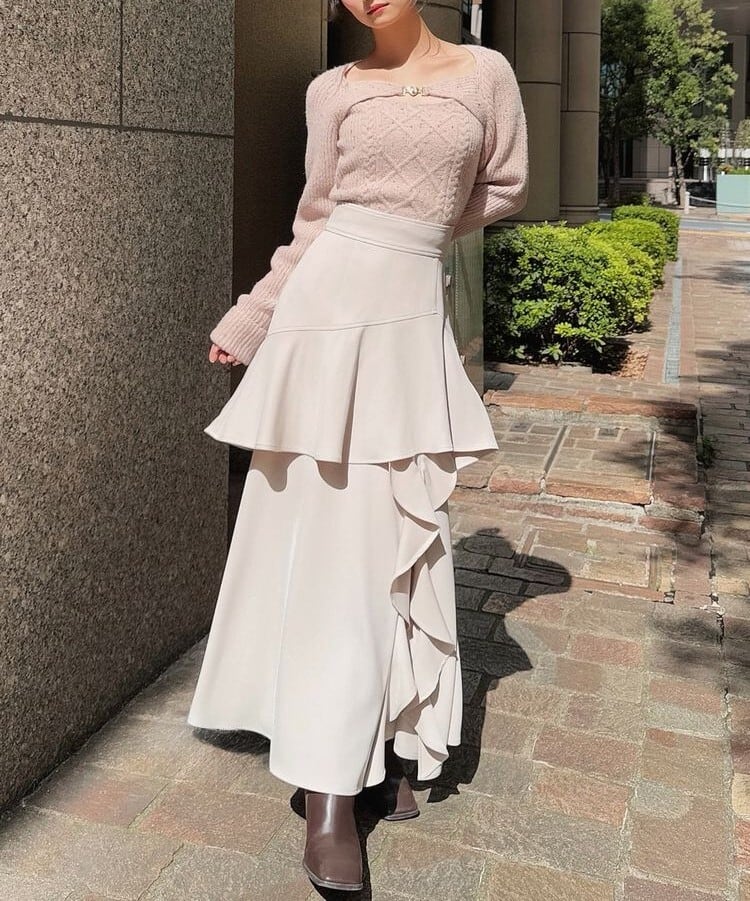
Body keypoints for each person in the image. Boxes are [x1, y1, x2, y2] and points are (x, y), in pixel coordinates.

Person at [187, 0, 528, 891]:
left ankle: (386, 733)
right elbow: (315, 221)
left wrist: (412, 236)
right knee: (330, 548)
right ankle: (328, 790)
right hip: (323, 314)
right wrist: (255, 316)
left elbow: (506, 185)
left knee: (396, 537)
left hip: (405, 313)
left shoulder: (486, 74)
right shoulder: (330, 88)